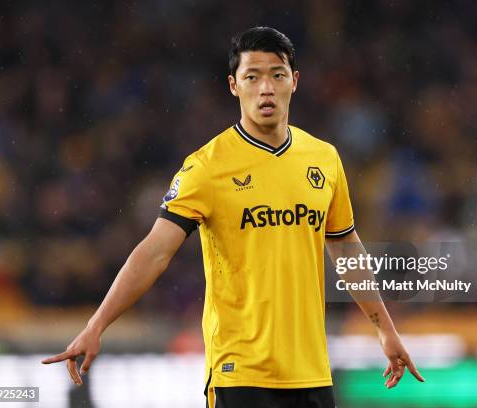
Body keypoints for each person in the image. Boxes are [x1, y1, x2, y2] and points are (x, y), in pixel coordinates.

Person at [42, 26, 424, 408]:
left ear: (295, 81)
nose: (266, 88)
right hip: (240, 374)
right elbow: (154, 252)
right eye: (252, 77)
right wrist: (97, 325)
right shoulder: (207, 167)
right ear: (233, 86)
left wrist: (385, 330)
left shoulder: (324, 158)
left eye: (277, 74)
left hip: (312, 374)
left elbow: (345, 249)